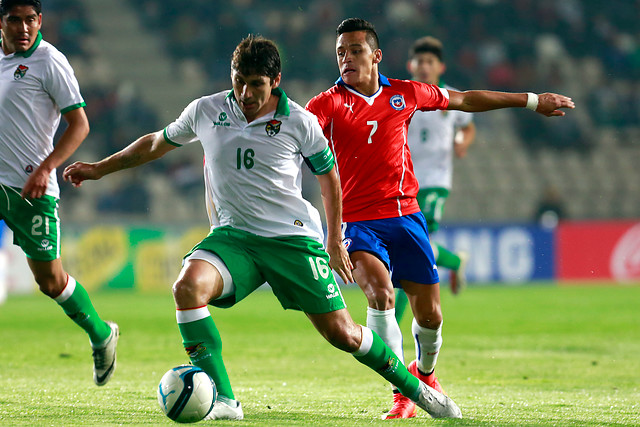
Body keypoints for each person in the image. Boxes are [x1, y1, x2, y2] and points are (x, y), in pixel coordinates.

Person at [63, 35, 462, 420]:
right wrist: (99, 169)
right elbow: (155, 143)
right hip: (235, 238)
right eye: (240, 82)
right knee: (186, 287)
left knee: (342, 333)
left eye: (256, 84)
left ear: (275, 82)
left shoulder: (301, 122)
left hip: (292, 241)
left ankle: (414, 388)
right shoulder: (206, 110)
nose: (246, 93)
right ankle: (225, 400)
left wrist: (333, 237)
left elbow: (329, 177)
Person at [305, 18, 574, 419]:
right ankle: (403, 391)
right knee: (380, 294)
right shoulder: (325, 104)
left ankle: (425, 375)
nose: (347, 59)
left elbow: (465, 100)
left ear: (376, 55)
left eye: (356, 50)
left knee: (429, 317)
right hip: (358, 223)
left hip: (406, 217)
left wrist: (532, 101)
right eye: (341, 52)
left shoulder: (405, 94)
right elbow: (292, 141)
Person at [0, 0, 118, 385]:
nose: (23, 28)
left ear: (40, 20)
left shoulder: (49, 62)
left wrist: (47, 167)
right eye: (14, 20)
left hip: (31, 188)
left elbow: (79, 125)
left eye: (30, 19)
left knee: (50, 282)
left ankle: (102, 335)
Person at [395, 36, 476, 322]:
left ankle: (392, 324)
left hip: (436, 182)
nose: (425, 66)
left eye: (430, 62)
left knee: (410, 248)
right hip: (403, 182)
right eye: (420, 61)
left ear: (440, 66)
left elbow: (467, 127)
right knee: (411, 248)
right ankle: (454, 261)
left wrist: (463, 142)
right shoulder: (400, 96)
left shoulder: (451, 97)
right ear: (411, 65)